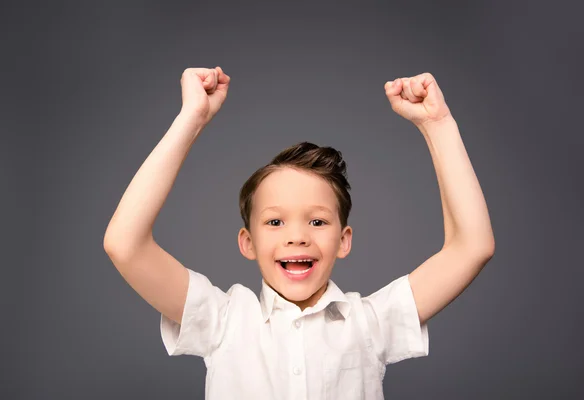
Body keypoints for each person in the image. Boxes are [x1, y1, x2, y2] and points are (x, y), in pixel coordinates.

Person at [103, 66, 495, 399]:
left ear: (344, 241)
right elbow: (125, 244)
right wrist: (191, 118)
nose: (297, 236)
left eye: (318, 221)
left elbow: (472, 247)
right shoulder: (223, 321)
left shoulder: (370, 323)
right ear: (248, 243)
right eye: (275, 222)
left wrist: (437, 125)